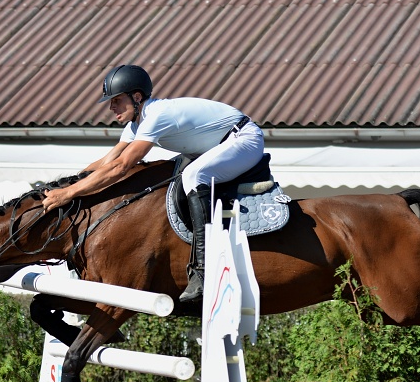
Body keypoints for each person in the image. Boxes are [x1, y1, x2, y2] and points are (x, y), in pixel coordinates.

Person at [41, 64, 264, 302]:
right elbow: (109, 160)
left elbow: (121, 167)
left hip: (243, 140)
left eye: (117, 100)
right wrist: (67, 185)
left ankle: (205, 269)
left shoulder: (158, 115)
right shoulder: (136, 123)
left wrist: (70, 193)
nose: (111, 107)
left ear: (137, 97)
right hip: (214, 145)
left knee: (192, 177)